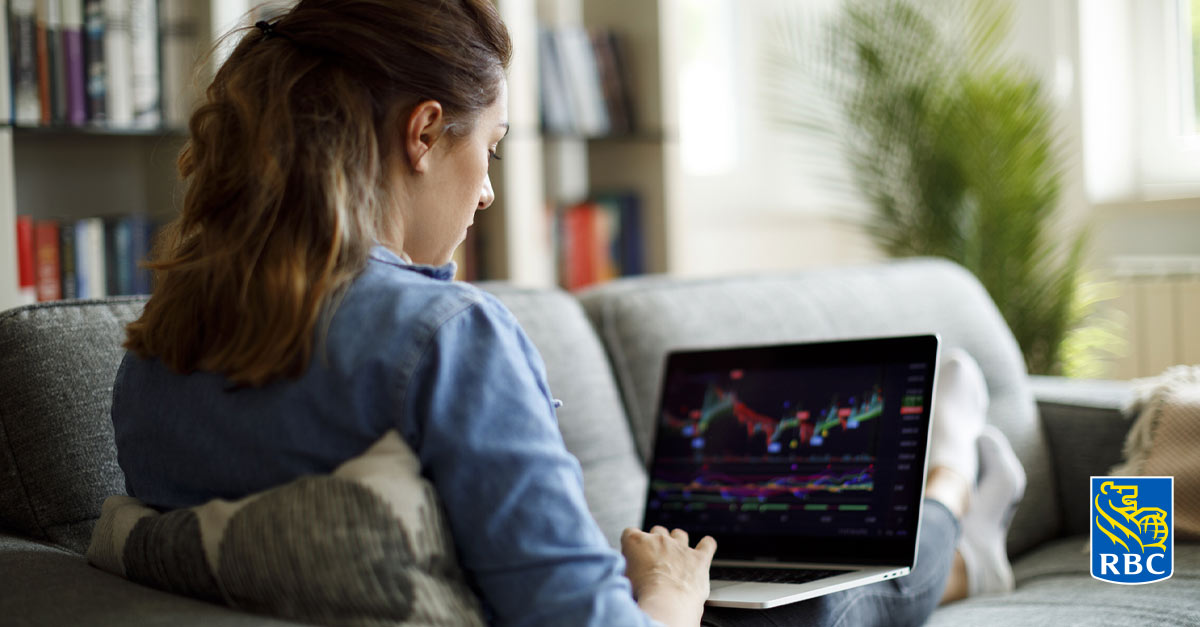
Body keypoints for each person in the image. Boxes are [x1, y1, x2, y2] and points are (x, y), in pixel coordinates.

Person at [110, 1, 1025, 626]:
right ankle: (950, 487)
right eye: (492, 148)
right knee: (816, 608)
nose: (489, 195)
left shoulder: (152, 359)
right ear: (423, 134)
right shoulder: (444, 338)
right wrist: (663, 591)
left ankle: (951, 519)